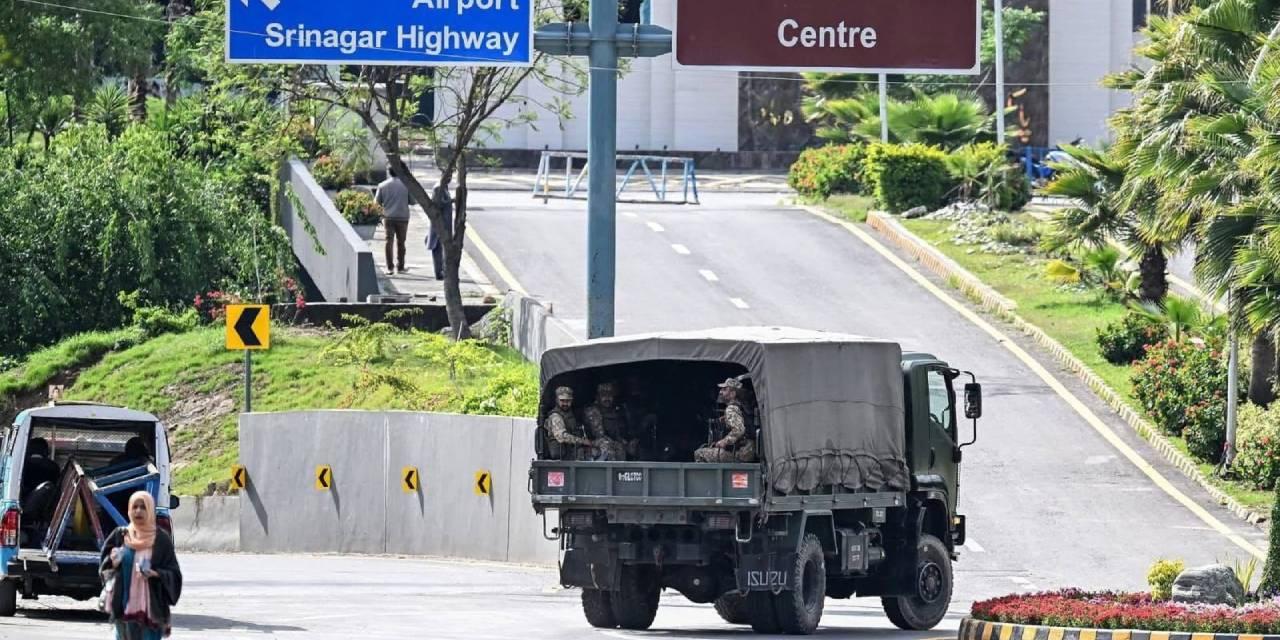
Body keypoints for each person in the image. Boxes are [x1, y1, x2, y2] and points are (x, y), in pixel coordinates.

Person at [99, 491, 182, 639]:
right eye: (135, 507)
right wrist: (113, 561)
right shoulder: (120, 536)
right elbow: (104, 567)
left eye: (143, 507)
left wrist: (156, 574)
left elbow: (174, 574)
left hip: (151, 612)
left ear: (150, 510)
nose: (138, 511)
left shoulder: (161, 539)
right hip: (123, 608)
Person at [694, 377, 757, 463]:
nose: (720, 392)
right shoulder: (742, 407)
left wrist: (724, 441)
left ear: (732, 394)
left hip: (740, 454)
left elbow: (739, 430)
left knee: (699, 453)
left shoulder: (731, 409)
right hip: (748, 452)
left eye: (724, 389)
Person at [375, 164, 414, 275]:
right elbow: (413, 201)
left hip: (388, 217)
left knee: (389, 241)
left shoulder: (382, 185)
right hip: (403, 217)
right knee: (401, 242)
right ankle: (400, 266)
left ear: (389, 172)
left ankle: (390, 267)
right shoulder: (406, 185)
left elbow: (376, 203)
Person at [583, 382, 633, 461]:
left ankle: (619, 472)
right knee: (607, 445)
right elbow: (599, 434)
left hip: (607, 441)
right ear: (598, 397)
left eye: (610, 395)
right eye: (603, 395)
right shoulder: (593, 411)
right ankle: (610, 472)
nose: (607, 398)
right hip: (592, 443)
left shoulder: (615, 411)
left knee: (620, 448)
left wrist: (624, 442)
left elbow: (617, 433)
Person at [543, 387, 594, 461]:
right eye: (562, 400)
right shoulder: (555, 416)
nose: (565, 403)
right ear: (556, 400)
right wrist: (582, 441)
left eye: (568, 401)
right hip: (563, 455)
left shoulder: (571, 414)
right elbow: (562, 436)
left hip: (573, 451)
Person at [426, 184, 454, 281]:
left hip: (444, 225)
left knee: (442, 250)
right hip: (439, 225)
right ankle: (439, 272)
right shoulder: (438, 188)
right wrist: (451, 201)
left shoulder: (444, 187)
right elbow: (438, 204)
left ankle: (442, 271)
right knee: (437, 250)